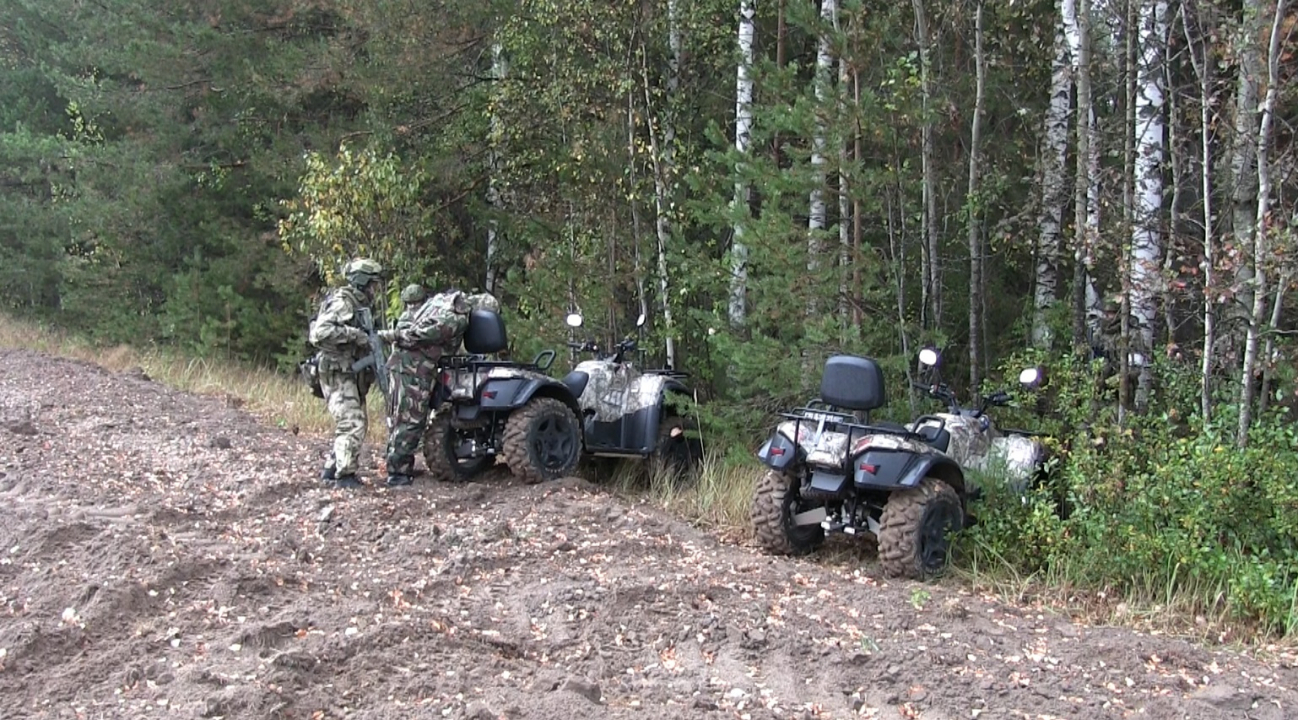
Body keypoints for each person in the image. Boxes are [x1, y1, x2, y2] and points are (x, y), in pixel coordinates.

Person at [378, 288, 474, 487]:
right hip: (415, 371)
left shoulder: (429, 310)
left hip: (403, 367)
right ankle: (398, 473)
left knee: (400, 417)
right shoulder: (454, 319)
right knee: (410, 420)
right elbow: (426, 335)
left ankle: (397, 465)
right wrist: (393, 335)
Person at [308, 257, 385, 488]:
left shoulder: (358, 303)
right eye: (372, 284)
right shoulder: (344, 301)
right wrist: (355, 336)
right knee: (352, 422)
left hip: (349, 372)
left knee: (354, 420)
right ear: (362, 282)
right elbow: (319, 333)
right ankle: (345, 476)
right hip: (336, 370)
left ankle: (332, 469)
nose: (375, 290)